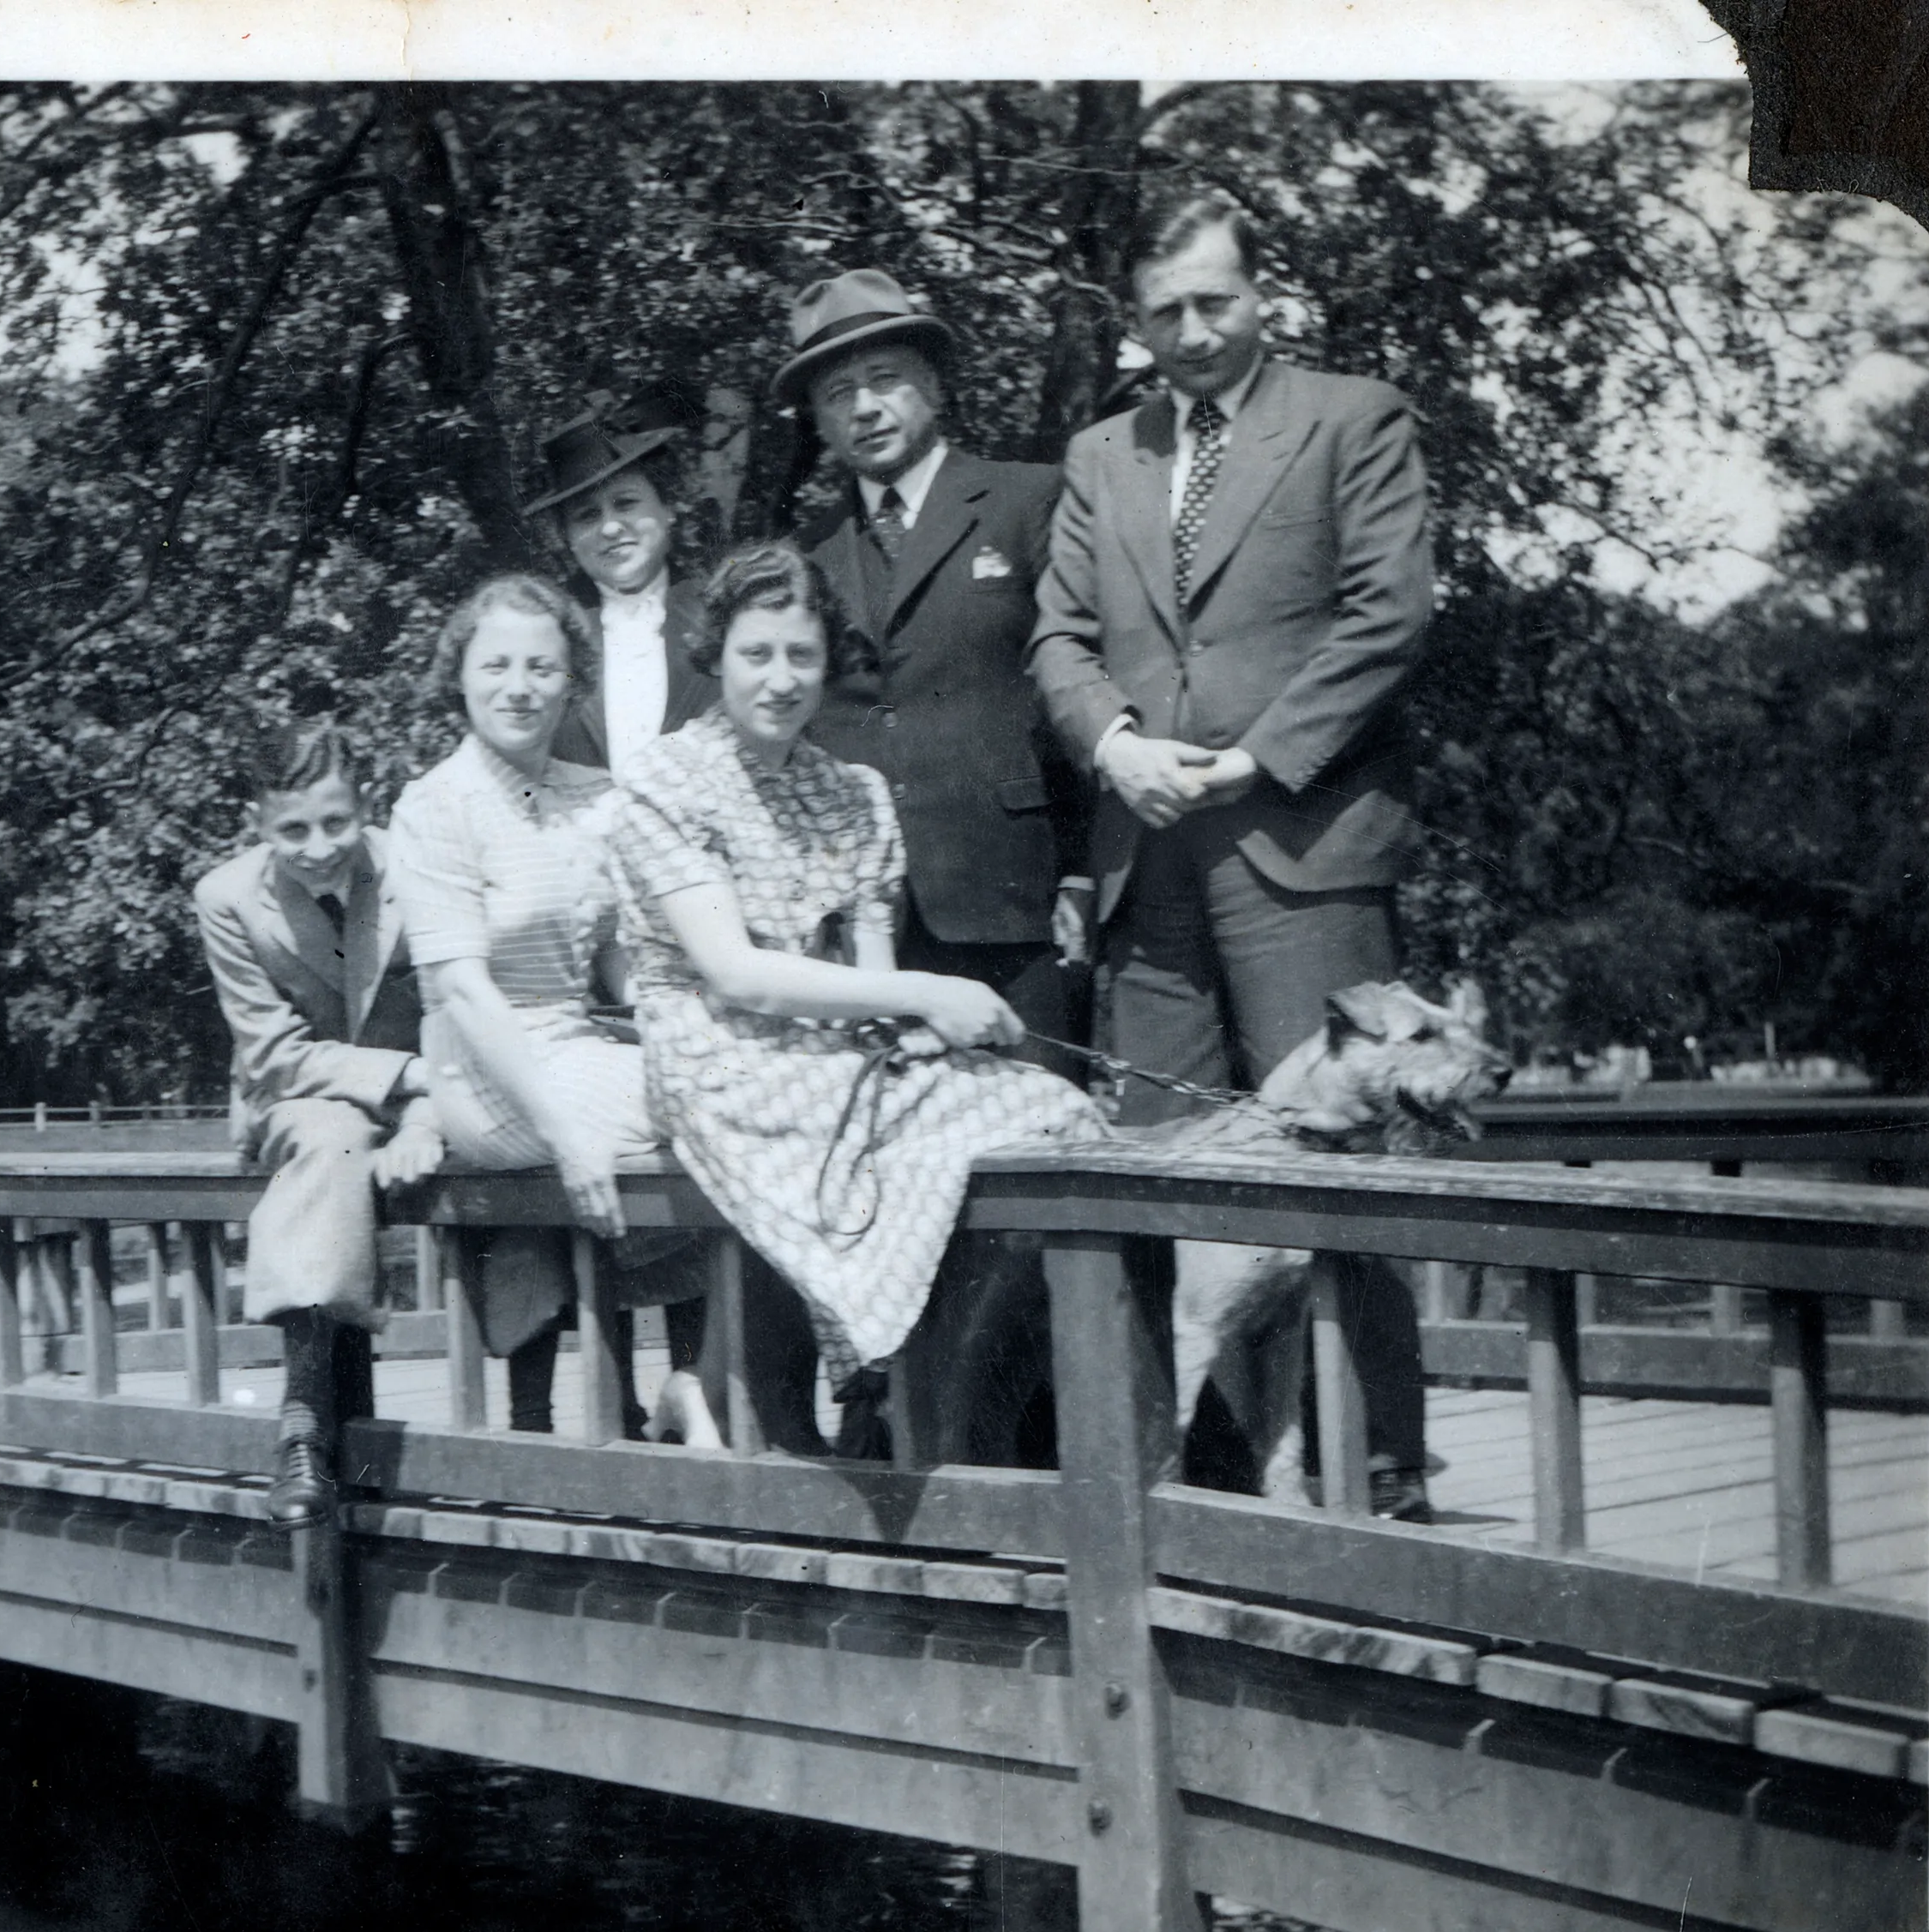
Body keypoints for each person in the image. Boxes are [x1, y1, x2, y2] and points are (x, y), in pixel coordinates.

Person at [1027, 189, 1441, 1518]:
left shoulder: (1352, 416)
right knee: (1154, 1172)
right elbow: (1060, 640)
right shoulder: (1103, 456)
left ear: (1263, 295)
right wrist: (1116, 748)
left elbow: (1392, 612)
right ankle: (1167, 1479)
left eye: (1217, 301)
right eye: (1166, 314)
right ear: (1132, 322)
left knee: (1346, 1173)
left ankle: (1382, 1479)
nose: (1194, 332)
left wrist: (1262, 755)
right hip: (1151, 866)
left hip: (1302, 849)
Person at [603, 541, 1108, 1467]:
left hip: (835, 1053)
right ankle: (882, 1390)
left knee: (1052, 1109)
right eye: (758, 654)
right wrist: (926, 989)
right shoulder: (663, 781)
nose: (782, 678)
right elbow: (736, 973)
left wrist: (913, 1031)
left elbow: (869, 973)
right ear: (717, 654)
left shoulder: (855, 793)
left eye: (803, 655)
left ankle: (936, 1401)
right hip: (720, 1055)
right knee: (886, 1149)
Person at [394, 572, 719, 1447]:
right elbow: (461, 989)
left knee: (729, 1079)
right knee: (724, 1108)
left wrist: (657, 1010)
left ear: (573, 679)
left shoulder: (597, 794)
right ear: (458, 673)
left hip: (579, 1046)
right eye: (496, 664)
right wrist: (563, 1129)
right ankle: (683, 1389)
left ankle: (689, 1384)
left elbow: (614, 949)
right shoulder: (435, 806)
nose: (519, 686)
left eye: (542, 667)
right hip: (486, 1072)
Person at [782, 270, 1091, 1051]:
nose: (864, 408)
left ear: (934, 386)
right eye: (838, 393)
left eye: (885, 380)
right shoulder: (803, 556)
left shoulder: (1030, 502)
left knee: (1039, 1141)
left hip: (1014, 901)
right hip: (866, 925)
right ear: (819, 420)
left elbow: (1081, 684)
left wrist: (1084, 873)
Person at [193, 725, 447, 1523]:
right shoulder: (227, 899)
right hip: (300, 1093)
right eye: (292, 831)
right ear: (258, 823)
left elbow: (450, 1003)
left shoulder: (417, 863)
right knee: (328, 1136)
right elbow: (273, 1054)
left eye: (335, 824)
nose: (317, 848)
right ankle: (304, 1420)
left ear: (364, 806)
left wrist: (426, 1106)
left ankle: (535, 1437)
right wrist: (405, 1079)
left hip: (421, 1091)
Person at [522, 402, 719, 782]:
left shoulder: (720, 614)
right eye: (587, 515)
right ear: (568, 538)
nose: (610, 528)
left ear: (668, 508)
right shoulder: (544, 635)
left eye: (625, 503)